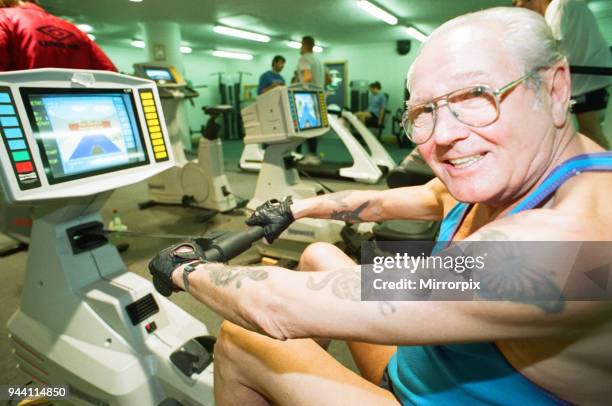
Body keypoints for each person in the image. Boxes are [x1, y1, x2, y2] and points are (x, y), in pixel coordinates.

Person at [149, 7, 612, 405]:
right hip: (418, 368)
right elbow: (408, 198)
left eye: (475, 96)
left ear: (554, 89)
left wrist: (187, 270)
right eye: (424, 112)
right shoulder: (521, 173)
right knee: (316, 256)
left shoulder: (571, 244)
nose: (445, 134)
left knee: (243, 339)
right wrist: (297, 209)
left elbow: (274, 305)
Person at [513, 0, 612, 148]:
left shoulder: (560, 6)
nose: (523, 10)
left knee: (591, 132)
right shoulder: (571, 5)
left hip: (587, 84)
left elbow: (550, 46)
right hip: (589, 81)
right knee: (589, 132)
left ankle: (605, 169)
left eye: (522, 5)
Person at [0, 0, 116, 71]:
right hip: (72, 104)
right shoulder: (73, 29)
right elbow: (110, 75)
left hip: (21, 107)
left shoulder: (4, 18)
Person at [295, 35, 329, 165]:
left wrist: (300, 85)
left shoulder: (304, 59)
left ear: (304, 44)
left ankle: (309, 155)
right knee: (313, 128)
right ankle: (312, 153)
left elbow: (307, 77)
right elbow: (329, 79)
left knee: (306, 127)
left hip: (308, 96)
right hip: (320, 95)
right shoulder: (318, 60)